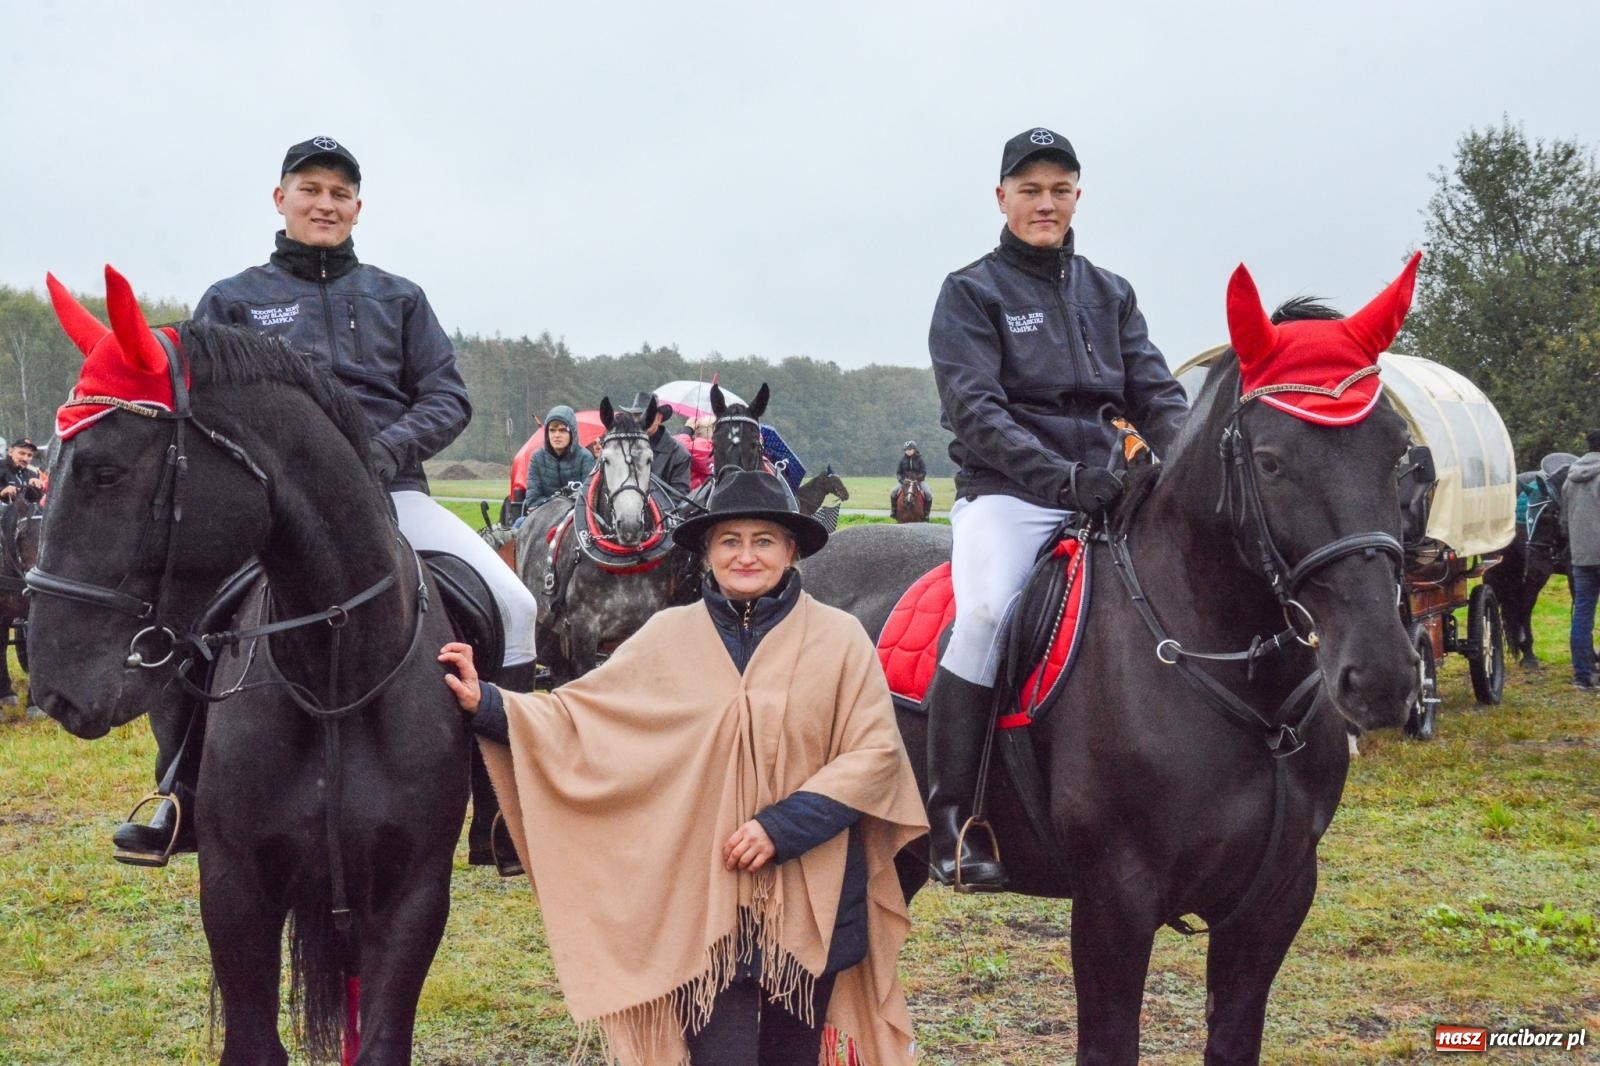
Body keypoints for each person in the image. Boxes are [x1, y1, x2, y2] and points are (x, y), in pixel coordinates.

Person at [111, 136, 540, 869]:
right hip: (267, 514)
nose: (325, 203)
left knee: (515, 605)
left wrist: (381, 451)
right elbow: (198, 399)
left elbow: (448, 396)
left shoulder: (400, 298)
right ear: (281, 199)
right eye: (311, 189)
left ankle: (501, 807)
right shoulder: (233, 299)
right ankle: (178, 791)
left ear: (358, 209)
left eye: (340, 194)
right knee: (182, 615)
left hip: (389, 495)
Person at [440, 468, 926, 1066]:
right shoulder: (666, 636)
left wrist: (782, 827)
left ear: (792, 549)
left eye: (764, 540)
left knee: (791, 1058)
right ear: (706, 552)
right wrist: (486, 702)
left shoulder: (841, 638)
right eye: (729, 540)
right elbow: (583, 721)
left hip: (812, 900)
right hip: (699, 902)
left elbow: (876, 756)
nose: (746, 555)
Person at [923, 127, 1189, 890]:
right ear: (1001, 197)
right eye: (1030, 190)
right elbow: (977, 413)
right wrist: (1063, 477)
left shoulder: (1110, 293)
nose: (1046, 203)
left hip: (1109, 490)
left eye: (1060, 189)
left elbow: (1158, 394)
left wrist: (1177, 460)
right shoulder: (970, 292)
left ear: (1077, 196)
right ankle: (952, 818)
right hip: (1011, 496)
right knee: (981, 619)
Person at [1560, 430, 1600, 689]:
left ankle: (1582, 677)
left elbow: (1563, 522)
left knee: (1582, 615)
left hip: (1582, 557)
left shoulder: (1569, 479)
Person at [521, 404, 596, 519]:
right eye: (552, 430)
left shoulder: (586, 458)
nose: (556, 435)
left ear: (572, 433)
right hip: (542, 517)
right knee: (519, 524)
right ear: (547, 433)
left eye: (562, 430)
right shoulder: (537, 458)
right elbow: (533, 500)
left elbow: (588, 499)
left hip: (574, 519)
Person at [619, 390, 692, 497]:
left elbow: (679, 497)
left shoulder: (679, 454)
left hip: (660, 512)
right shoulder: (621, 447)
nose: (640, 420)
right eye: (636, 415)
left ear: (659, 418)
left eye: (647, 415)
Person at [676, 413, 717, 491]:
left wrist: (688, 428)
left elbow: (678, 444)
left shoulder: (703, 447)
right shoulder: (721, 449)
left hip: (694, 496)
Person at [889, 440, 929, 517]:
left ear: (914, 449)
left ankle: (926, 514)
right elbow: (898, 473)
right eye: (906, 450)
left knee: (928, 494)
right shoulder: (902, 460)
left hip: (918, 481)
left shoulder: (920, 459)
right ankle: (894, 511)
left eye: (910, 449)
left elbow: (924, 472)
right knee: (893, 492)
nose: (908, 451)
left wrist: (918, 479)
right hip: (905, 481)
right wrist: (901, 480)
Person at [0, 437, 44, 504]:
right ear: (10, 452)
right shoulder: (1, 468)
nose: (25, 459)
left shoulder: (32, 474)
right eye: (22, 453)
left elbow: (39, 504)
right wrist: (2, 493)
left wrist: (36, 488)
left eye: (29, 455)